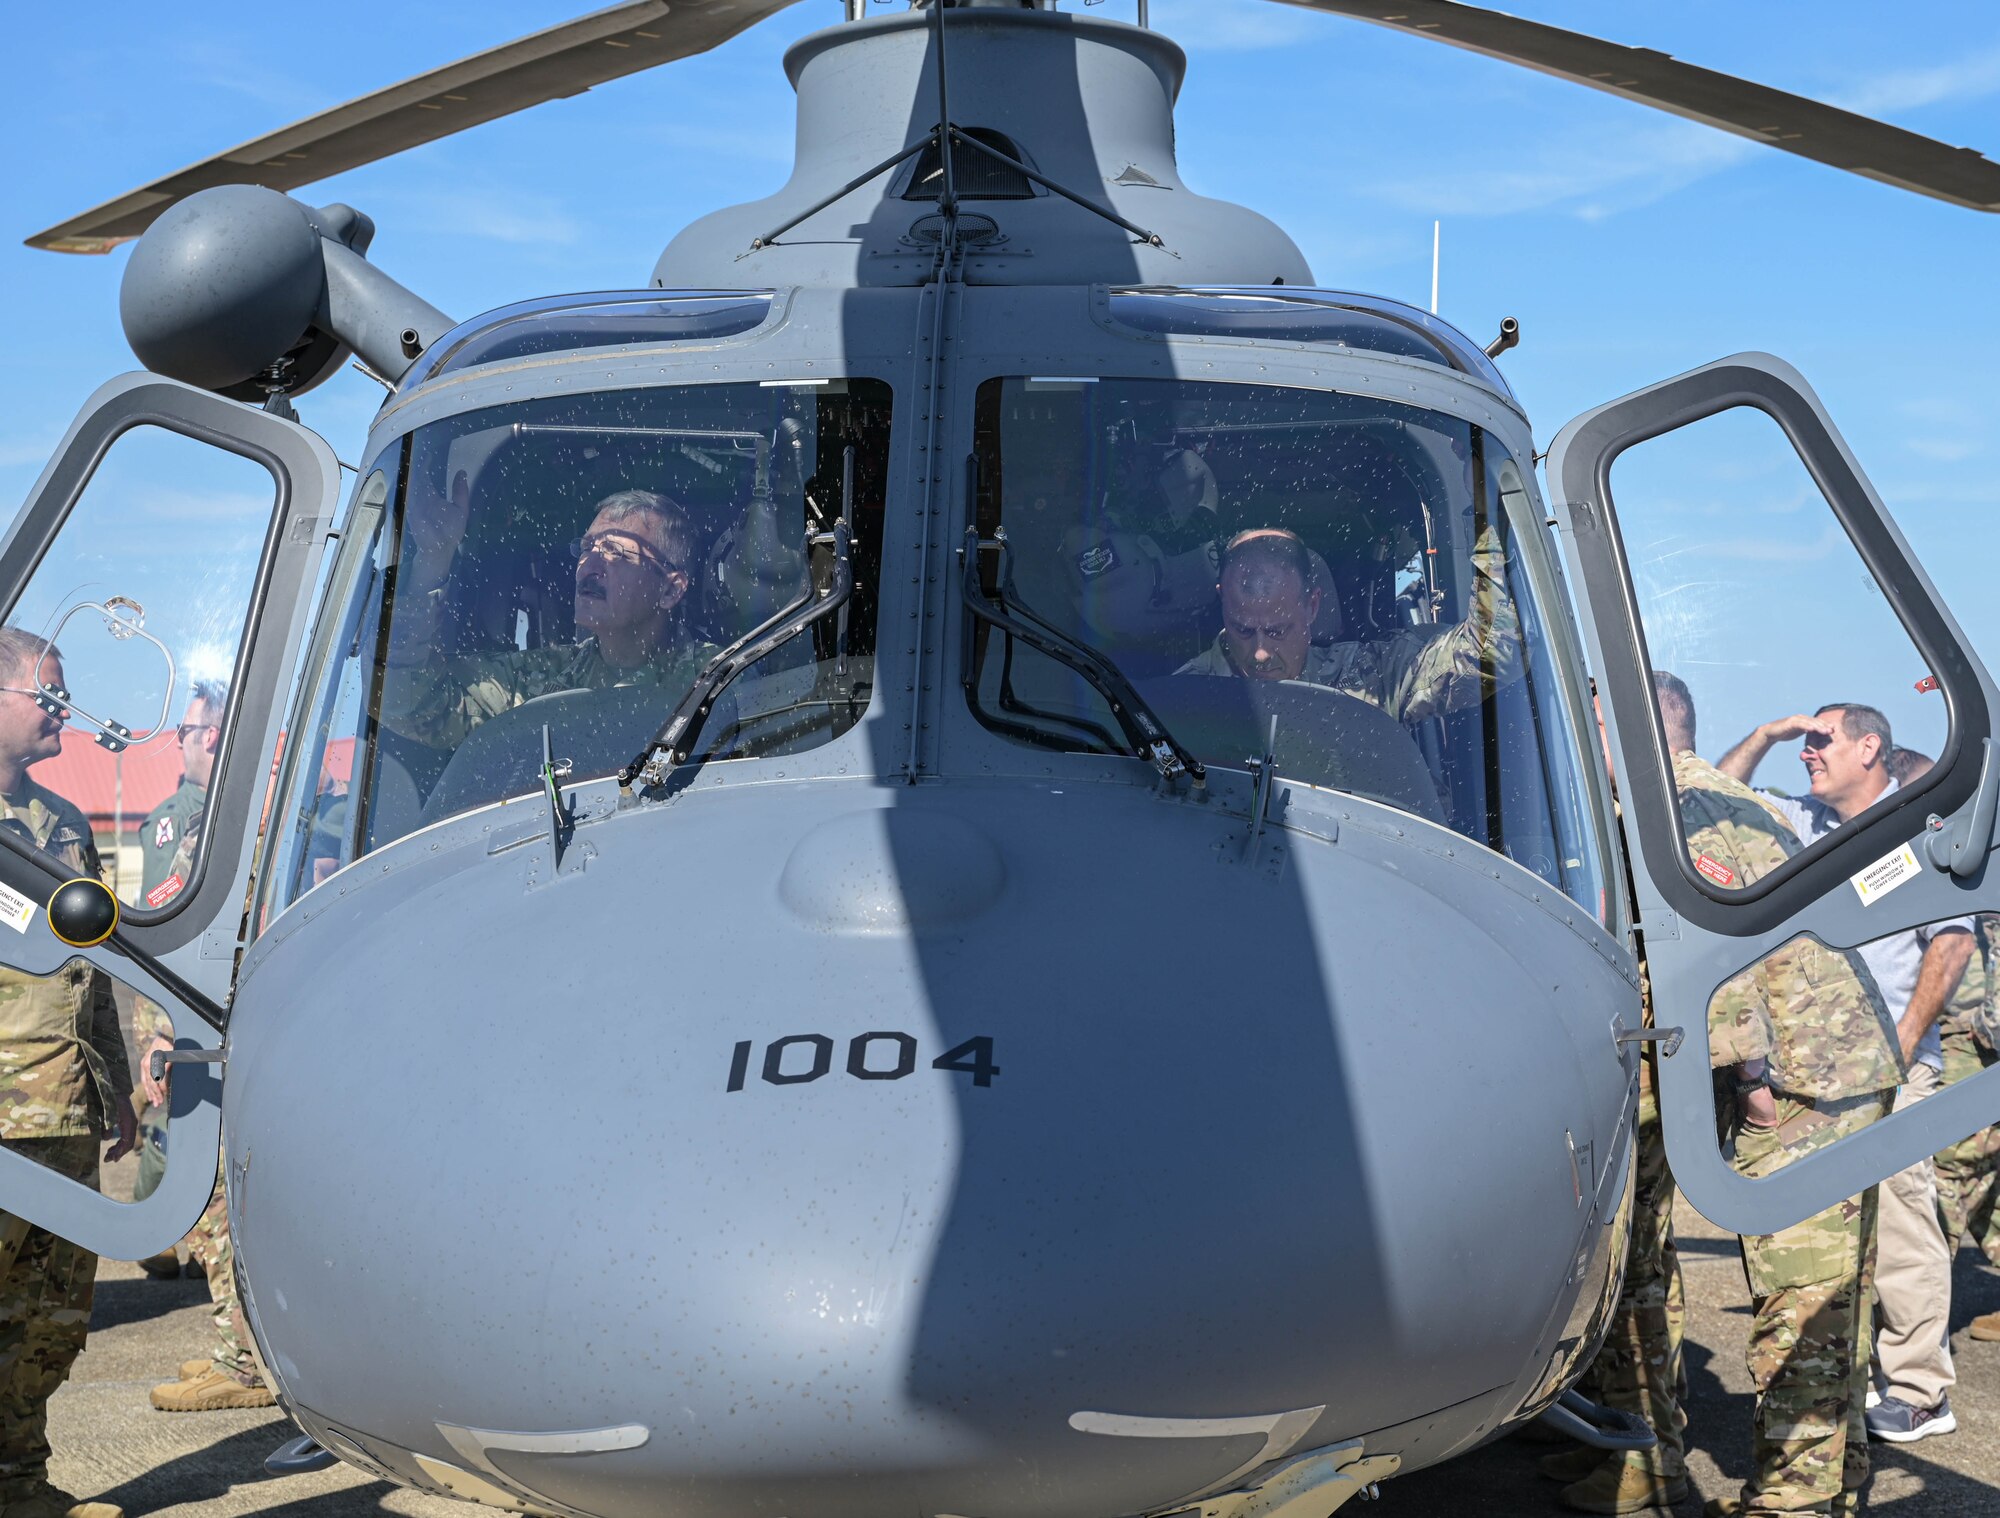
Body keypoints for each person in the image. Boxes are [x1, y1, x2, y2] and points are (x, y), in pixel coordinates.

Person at [1669, 675, 1904, 1518]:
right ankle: (1838, 1473)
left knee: (1800, 1300)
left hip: (1805, 1077)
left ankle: (1793, 1501)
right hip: (1839, 1063)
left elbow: (1718, 953)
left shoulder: (1684, 807)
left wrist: (1755, 1086)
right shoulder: (1706, 790)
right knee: (1839, 1292)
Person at [1718, 704, 1971, 1443]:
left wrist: (1901, 1044)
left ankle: (1922, 1389)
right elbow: (1713, 797)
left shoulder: (1916, 830)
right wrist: (1765, 735)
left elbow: (1951, 944)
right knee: (1824, 1234)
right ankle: (1845, 1377)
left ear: (1871, 747)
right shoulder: (1802, 823)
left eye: (1821, 739)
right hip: (1817, 1077)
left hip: (1893, 1068)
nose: (1808, 752)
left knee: (1900, 1221)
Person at [1540, 690, 1689, 1516]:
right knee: (1630, 1277)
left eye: (1592, 723)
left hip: (1653, 1087)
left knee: (1635, 1279)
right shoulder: (1634, 814)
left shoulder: (1677, 814)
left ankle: (1648, 1463)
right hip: (1639, 1080)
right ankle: (1636, 1448)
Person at [0, 626, 134, 1518]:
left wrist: (115, 1083)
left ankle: (18, 1484)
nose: (63, 712)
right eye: (48, 695)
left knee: (47, 1319)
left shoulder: (62, 824)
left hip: (68, 1108)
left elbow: (97, 965)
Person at [381, 490, 719, 754]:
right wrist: (432, 559)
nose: (589, 565)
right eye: (587, 547)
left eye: (615, 551)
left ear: (670, 589)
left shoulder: (719, 680)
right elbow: (411, 707)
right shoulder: (538, 680)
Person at [1883, 749, 2000, 1343]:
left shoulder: (1975, 841)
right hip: (1963, 1032)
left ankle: (1912, 1326)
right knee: (1975, 1172)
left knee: (1950, 1168)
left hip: (1974, 1039)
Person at [1175, 524, 1519, 721]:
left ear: (1312, 607)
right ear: (1222, 601)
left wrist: (1482, 508)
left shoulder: (1366, 678)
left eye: (1278, 631)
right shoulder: (1181, 701)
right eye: (1244, 630)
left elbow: (1491, 656)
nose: (1261, 652)